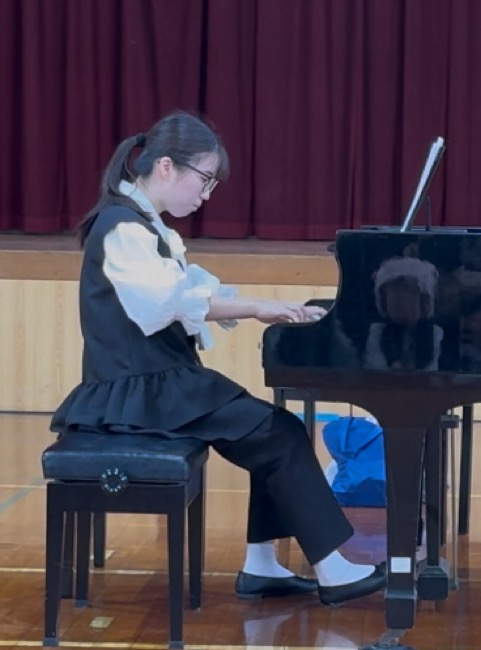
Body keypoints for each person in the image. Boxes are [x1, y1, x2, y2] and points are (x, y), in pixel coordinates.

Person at [49, 109, 386, 606]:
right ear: (167, 167)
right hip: (140, 392)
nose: (205, 195)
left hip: (158, 384)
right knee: (280, 433)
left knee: (276, 434)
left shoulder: (146, 227)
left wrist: (266, 309)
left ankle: (263, 566)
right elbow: (169, 302)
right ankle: (330, 570)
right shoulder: (123, 230)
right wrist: (255, 307)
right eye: (204, 180)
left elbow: (192, 291)